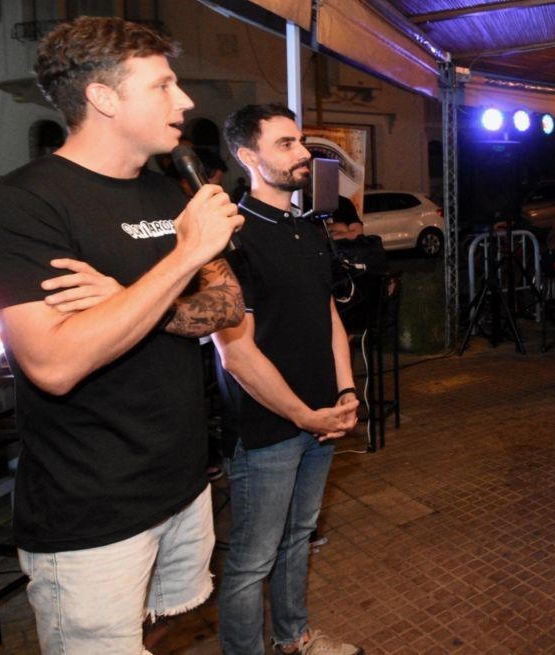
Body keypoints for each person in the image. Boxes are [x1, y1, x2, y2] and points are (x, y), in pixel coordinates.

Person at [0, 17, 244, 652]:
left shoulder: (167, 191)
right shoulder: (24, 206)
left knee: (167, 630)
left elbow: (229, 303)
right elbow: (55, 364)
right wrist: (183, 258)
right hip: (91, 510)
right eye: (163, 85)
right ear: (103, 97)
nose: (185, 100)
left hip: (180, 484)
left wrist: (126, 300)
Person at [216, 104, 362, 655]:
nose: (303, 153)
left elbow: (329, 317)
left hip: (321, 418)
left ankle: (292, 638)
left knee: (299, 538)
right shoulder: (231, 237)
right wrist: (303, 414)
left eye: (299, 141)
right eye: (285, 144)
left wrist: (345, 392)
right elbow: (236, 354)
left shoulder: (309, 227)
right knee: (252, 559)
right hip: (268, 429)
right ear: (247, 156)